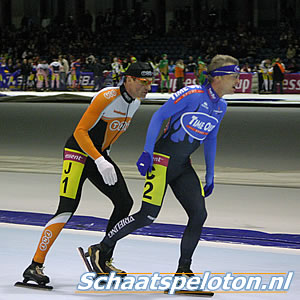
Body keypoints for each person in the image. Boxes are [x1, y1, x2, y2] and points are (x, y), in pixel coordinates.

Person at [87, 54, 240, 278]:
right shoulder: (191, 95)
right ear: (218, 78)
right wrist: (148, 151)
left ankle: (183, 270)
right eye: (234, 76)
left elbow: (210, 138)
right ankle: (101, 249)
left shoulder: (221, 106)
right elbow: (158, 116)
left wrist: (210, 172)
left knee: (199, 214)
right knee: (147, 216)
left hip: (182, 166)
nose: (238, 80)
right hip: (161, 161)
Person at [21, 62, 154, 287]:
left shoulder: (136, 103)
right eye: (143, 82)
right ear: (129, 79)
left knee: (124, 202)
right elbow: (80, 131)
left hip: (97, 155)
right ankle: (34, 265)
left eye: (151, 82)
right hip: (77, 152)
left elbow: (109, 133)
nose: (148, 87)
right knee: (66, 208)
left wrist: (104, 155)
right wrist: (100, 159)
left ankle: (102, 257)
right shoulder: (107, 97)